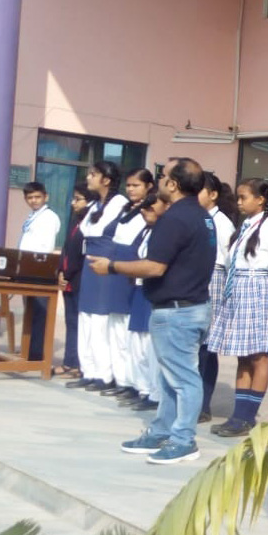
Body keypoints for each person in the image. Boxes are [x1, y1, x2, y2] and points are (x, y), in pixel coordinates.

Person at [89, 157, 216, 465]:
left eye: (162, 176)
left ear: (173, 184)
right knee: (169, 377)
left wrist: (112, 266)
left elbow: (155, 266)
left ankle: (183, 439)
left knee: (183, 378)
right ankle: (161, 431)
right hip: (190, 306)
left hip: (178, 311)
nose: (159, 180)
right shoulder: (202, 216)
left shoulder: (175, 219)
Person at [207, 178, 268, 437]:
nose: (239, 202)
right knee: (242, 355)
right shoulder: (244, 227)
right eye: (238, 198)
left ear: (260, 200)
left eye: (244, 197)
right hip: (238, 290)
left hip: (257, 288)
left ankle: (248, 416)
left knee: (258, 355)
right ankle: (238, 415)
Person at [68, 161, 127, 391]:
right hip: (89, 265)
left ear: (107, 180)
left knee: (101, 322)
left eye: (93, 174)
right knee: (86, 319)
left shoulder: (120, 204)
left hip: (105, 266)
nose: (89, 178)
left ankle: (105, 374)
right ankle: (89, 370)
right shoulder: (93, 205)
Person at [103, 168, 157, 403]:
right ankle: (127, 381)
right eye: (129, 185)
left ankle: (144, 388)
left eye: (136, 185)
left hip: (138, 279)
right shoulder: (127, 211)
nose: (131, 190)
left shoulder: (152, 220)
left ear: (149, 187)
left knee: (139, 339)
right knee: (124, 335)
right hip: (125, 275)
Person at [197, 172, 237, 422]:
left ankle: (203, 405)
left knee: (206, 349)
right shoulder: (198, 219)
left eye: (199, 190)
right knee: (194, 348)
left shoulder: (221, 224)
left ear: (213, 195)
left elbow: (229, 262)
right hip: (197, 282)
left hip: (214, 282)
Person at [125, 191, 168, 414]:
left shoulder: (164, 232)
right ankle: (142, 387)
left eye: (151, 207)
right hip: (139, 289)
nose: (145, 212)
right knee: (138, 343)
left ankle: (156, 392)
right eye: (144, 207)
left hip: (153, 290)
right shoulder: (145, 231)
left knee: (151, 345)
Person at [18, 182, 62, 362]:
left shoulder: (49, 217)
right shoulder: (33, 216)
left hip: (39, 270)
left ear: (46, 197)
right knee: (30, 311)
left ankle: (36, 354)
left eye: (37, 197)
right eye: (30, 197)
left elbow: (45, 248)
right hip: (26, 268)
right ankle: (29, 350)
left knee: (39, 312)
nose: (33, 200)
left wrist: (34, 267)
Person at [56, 184, 95, 377]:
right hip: (68, 279)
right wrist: (60, 272)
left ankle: (79, 365)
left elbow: (81, 255)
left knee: (81, 325)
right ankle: (68, 362)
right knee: (71, 322)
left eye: (78, 199)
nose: (73, 203)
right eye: (73, 199)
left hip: (81, 279)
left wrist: (68, 273)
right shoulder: (75, 220)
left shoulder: (91, 222)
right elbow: (66, 248)